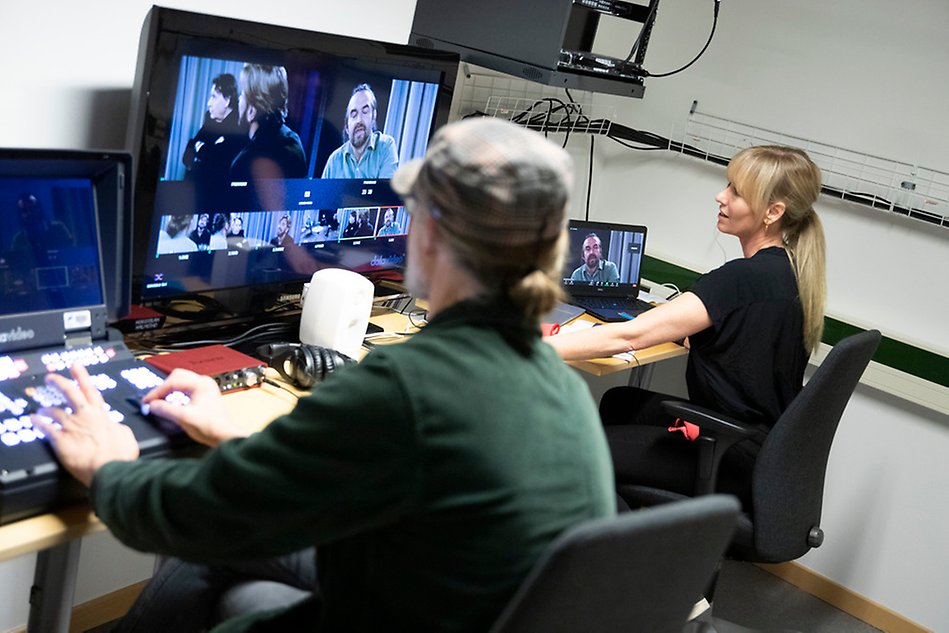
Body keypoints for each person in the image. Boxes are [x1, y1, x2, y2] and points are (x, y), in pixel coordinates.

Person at [35, 117, 614, 633]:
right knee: (238, 585)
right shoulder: (553, 379)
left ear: (430, 235)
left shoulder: (409, 386)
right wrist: (231, 434)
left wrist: (108, 466)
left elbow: (198, 516)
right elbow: (371, 472)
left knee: (224, 570)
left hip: (409, 606)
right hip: (437, 595)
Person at [548, 145, 826, 510]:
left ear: (773, 212)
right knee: (622, 402)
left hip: (728, 455)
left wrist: (531, 345)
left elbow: (627, 335)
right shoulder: (790, 272)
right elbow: (743, 339)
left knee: (571, 459)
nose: (720, 196)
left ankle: (617, 549)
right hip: (760, 448)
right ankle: (627, 523)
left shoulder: (741, 278)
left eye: (736, 192)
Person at [229, 64, 307, 182]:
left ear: (252, 111)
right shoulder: (294, 141)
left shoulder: (244, 162)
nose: (239, 101)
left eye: (242, 95)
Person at [182, 73, 247, 193]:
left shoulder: (239, 129)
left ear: (227, 100)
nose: (209, 103)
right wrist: (207, 150)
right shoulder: (210, 120)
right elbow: (187, 157)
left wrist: (201, 150)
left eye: (214, 97)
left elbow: (218, 165)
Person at [321, 83, 399, 179]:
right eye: (354, 114)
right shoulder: (334, 160)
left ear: (374, 117)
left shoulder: (386, 146)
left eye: (365, 111)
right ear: (346, 127)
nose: (359, 120)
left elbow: (385, 193)